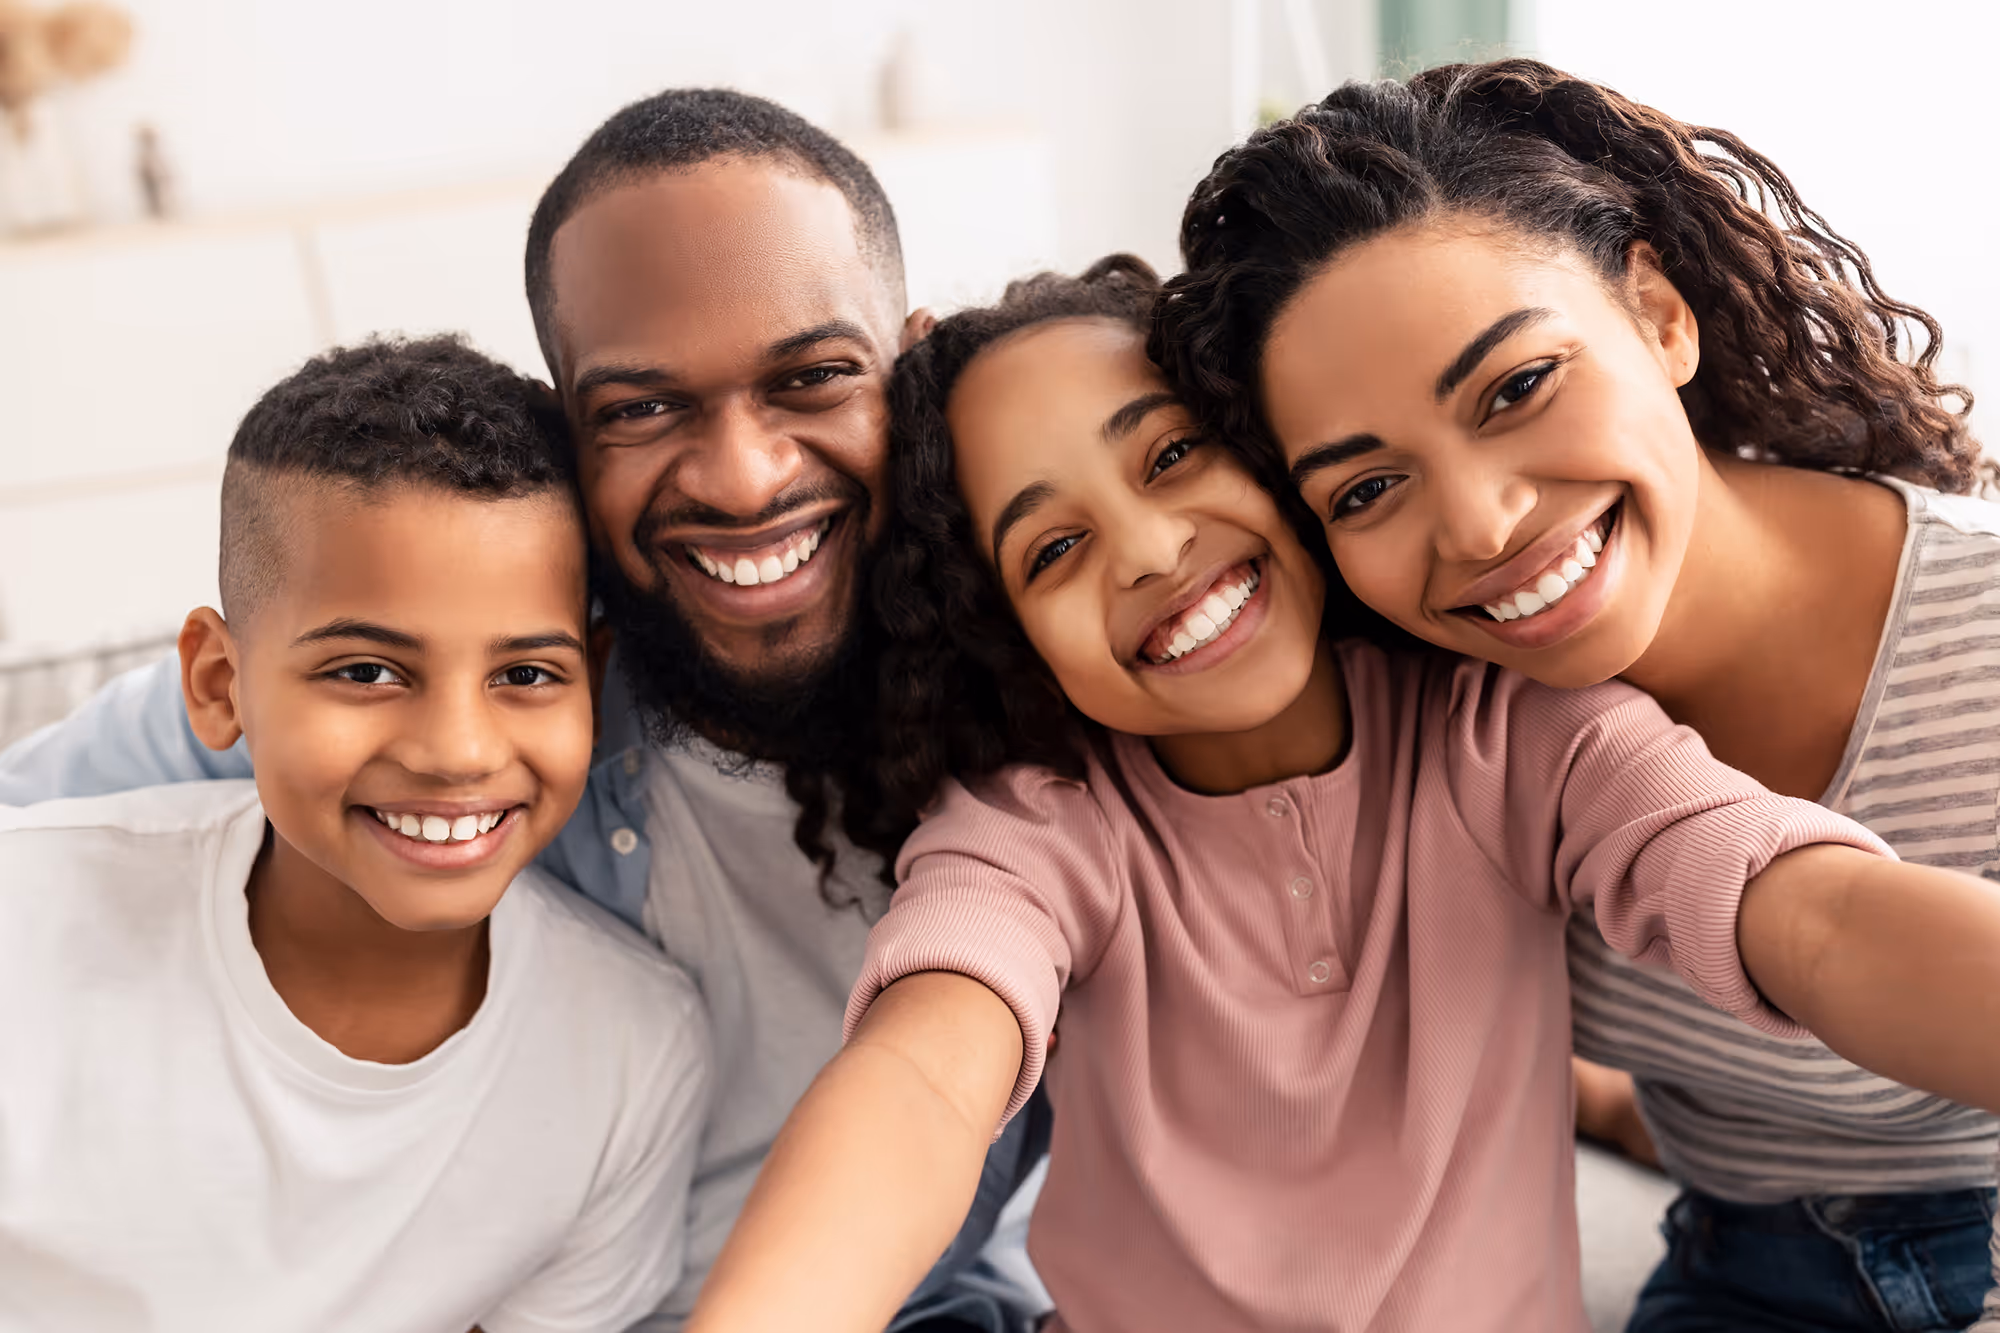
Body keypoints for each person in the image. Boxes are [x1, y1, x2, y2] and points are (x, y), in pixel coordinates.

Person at [680, 258, 2000, 1333]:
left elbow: (1805, 912)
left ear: (1282, 462)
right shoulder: (1040, 826)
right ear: (1008, 631)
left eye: (1170, 458)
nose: (1150, 552)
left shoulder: (1511, 731)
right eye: (1056, 547)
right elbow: (923, 1078)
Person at [0, 91, 1044, 1332]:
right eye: (643, 408)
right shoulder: (467, 661)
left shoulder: (1050, 696)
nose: (743, 477)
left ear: (908, 367)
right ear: (568, 430)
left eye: (813, 377)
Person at [1153, 57, 2000, 1332]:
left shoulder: (1977, 631)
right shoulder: (1450, 720)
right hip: (1736, 1271)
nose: (1482, 522)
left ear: (1658, 315)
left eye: (1514, 388)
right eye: (1365, 489)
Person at [0, 336, 710, 1332]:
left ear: (591, 679)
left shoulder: (634, 1050)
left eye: (525, 674)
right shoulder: (25, 926)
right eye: (367, 672)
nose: (458, 751)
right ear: (217, 683)